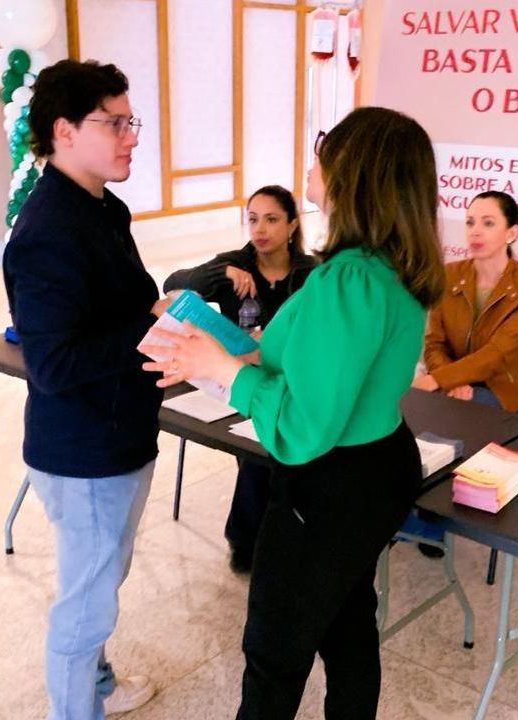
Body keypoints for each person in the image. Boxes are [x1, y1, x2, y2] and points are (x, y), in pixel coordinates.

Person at [141, 107, 446, 719]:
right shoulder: (379, 270)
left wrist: (226, 372)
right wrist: (213, 349)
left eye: (321, 155)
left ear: (353, 175)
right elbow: (291, 360)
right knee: (346, 620)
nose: (311, 167)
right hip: (372, 468)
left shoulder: (348, 282)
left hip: (331, 483)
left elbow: (304, 428)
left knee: (276, 650)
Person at [2, 59, 166, 720]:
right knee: (86, 600)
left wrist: (161, 324)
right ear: (64, 131)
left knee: (101, 580)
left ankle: (97, 687)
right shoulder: (46, 233)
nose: (132, 136)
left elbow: (117, 313)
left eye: (132, 121)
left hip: (120, 433)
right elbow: (55, 364)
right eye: (116, 123)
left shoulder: (102, 206)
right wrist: (147, 326)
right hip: (84, 450)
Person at [162, 185, 318, 573]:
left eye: (271, 219)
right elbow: (173, 282)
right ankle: (246, 539)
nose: (260, 229)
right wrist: (222, 272)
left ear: (292, 224)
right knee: (261, 449)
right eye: (252, 219)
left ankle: (282, 532)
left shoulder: (310, 273)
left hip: (292, 378)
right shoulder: (235, 264)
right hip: (233, 378)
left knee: (287, 440)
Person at [414, 190, 518, 416]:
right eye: (470, 222)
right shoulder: (448, 276)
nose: (475, 231)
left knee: (457, 414)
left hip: (503, 388)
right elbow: (434, 344)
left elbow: (496, 355)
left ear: (511, 233)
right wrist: (451, 381)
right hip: (452, 381)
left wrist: (437, 380)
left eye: (488, 223)